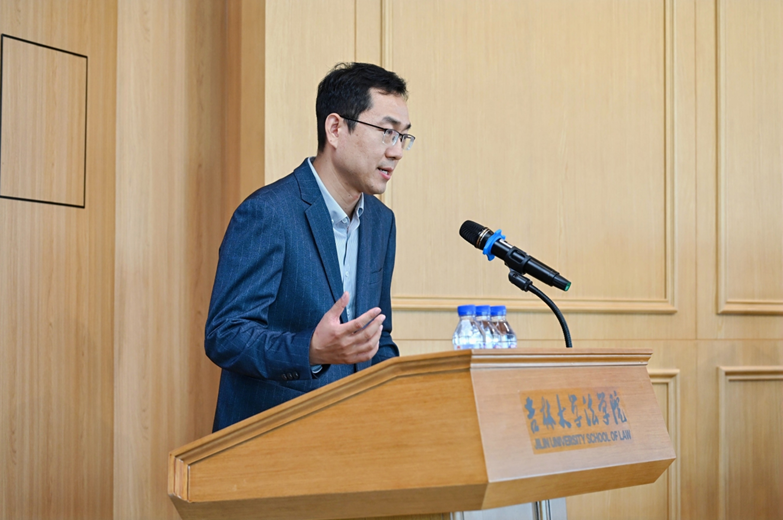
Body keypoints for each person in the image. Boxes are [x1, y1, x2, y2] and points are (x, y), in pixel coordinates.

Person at [205, 62, 414, 431]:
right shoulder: (268, 213)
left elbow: (378, 338)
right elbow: (226, 335)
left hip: (354, 437)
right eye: (386, 132)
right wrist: (311, 350)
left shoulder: (382, 223)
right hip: (273, 437)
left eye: (403, 137)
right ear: (335, 129)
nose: (397, 151)